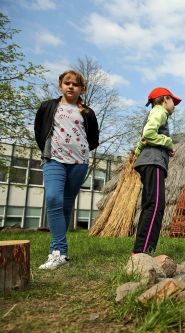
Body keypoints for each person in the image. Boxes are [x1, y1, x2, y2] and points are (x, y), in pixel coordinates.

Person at [34, 70, 99, 270]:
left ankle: (60, 253)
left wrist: (79, 151)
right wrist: (50, 149)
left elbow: (94, 139)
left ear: (82, 89)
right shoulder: (48, 106)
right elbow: (39, 130)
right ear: (60, 85)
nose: (71, 86)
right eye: (67, 83)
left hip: (79, 163)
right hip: (54, 160)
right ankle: (57, 251)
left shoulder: (87, 112)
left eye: (75, 84)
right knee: (53, 198)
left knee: (66, 206)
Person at [132, 87, 181, 254]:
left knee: (149, 205)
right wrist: (167, 142)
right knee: (155, 206)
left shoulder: (153, 114)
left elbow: (143, 140)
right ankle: (144, 251)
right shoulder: (159, 112)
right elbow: (149, 133)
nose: (174, 105)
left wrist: (139, 153)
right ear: (165, 99)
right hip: (154, 163)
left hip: (147, 162)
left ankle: (140, 250)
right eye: (173, 101)